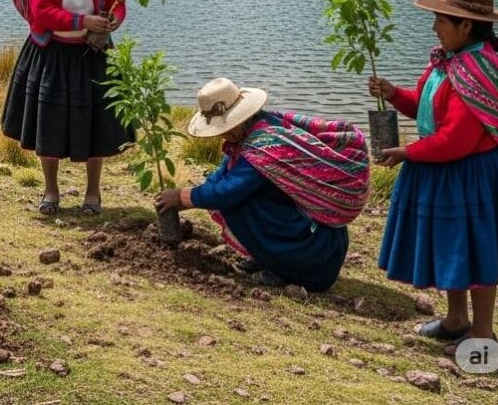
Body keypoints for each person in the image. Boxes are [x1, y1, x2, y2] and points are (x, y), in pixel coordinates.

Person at [370, 0, 498, 350]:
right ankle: (456, 319)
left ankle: (482, 334)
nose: (434, 28)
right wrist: (394, 94)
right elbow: (427, 110)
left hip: (472, 176)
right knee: (453, 247)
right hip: (448, 173)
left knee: (477, 253)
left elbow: (455, 140)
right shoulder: (449, 63)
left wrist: (407, 153)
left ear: (466, 26)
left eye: (441, 20)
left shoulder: (478, 73)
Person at [155, 77, 368, 291]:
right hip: (316, 241)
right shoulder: (256, 129)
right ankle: (269, 258)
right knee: (242, 198)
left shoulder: (263, 147)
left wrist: (181, 196)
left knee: (237, 203)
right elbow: (222, 175)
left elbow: (225, 192)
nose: (221, 134)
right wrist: (187, 198)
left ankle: (285, 270)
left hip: (315, 254)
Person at [1, 0, 131, 215]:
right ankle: (51, 191)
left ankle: (93, 193)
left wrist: (112, 20)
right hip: (52, 54)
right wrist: (83, 20)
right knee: (50, 122)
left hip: (93, 52)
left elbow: (118, 2)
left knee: (97, 123)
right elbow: (41, 11)